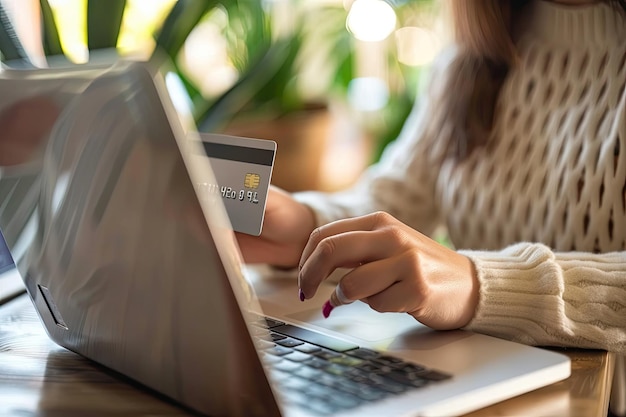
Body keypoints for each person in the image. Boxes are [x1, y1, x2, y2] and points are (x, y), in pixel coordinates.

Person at [235, 0, 626, 414]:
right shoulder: (471, 57)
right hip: (479, 389)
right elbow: (398, 196)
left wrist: (480, 284)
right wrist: (307, 226)